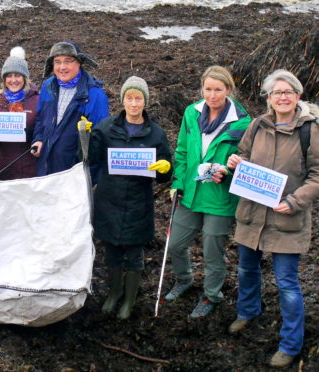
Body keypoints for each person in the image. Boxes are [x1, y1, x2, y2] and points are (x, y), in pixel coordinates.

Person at [226, 70, 318, 369]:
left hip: (287, 219)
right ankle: (248, 311)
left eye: (288, 92)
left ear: (297, 96)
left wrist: (294, 202)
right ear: (268, 98)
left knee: (287, 283)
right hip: (253, 214)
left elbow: (317, 176)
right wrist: (235, 162)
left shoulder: (310, 131)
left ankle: (291, 344)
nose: (282, 97)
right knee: (246, 270)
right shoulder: (258, 125)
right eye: (276, 92)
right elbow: (243, 156)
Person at [165, 65, 251, 317]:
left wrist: (226, 170)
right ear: (202, 88)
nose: (212, 95)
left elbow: (247, 160)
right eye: (208, 89)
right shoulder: (191, 113)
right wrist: (177, 183)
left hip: (220, 197)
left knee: (213, 252)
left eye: (218, 90)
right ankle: (184, 279)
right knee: (175, 245)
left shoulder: (243, 122)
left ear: (228, 90)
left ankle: (211, 295)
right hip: (190, 192)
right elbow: (181, 152)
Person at [88, 76, 172, 319]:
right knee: (111, 251)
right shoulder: (105, 128)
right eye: (129, 98)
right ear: (122, 100)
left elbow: (164, 176)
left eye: (138, 98)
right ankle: (114, 293)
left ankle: (129, 299)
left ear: (145, 102)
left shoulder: (155, 133)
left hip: (138, 203)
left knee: (134, 254)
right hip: (108, 200)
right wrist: (85, 135)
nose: (133, 103)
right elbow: (90, 158)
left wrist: (165, 168)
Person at [32, 41, 109, 176]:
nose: (62, 67)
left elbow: (100, 141)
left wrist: (89, 178)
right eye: (57, 62)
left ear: (79, 62)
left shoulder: (95, 95)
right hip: (45, 168)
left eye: (68, 61)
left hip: (74, 175)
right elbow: (40, 119)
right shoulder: (47, 87)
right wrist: (38, 139)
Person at [0, 46, 39, 180]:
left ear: (25, 78)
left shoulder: (38, 100)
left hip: (32, 169)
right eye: (9, 76)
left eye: (17, 75)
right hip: (6, 169)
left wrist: (31, 133)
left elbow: (45, 131)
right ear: (4, 80)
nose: (13, 80)